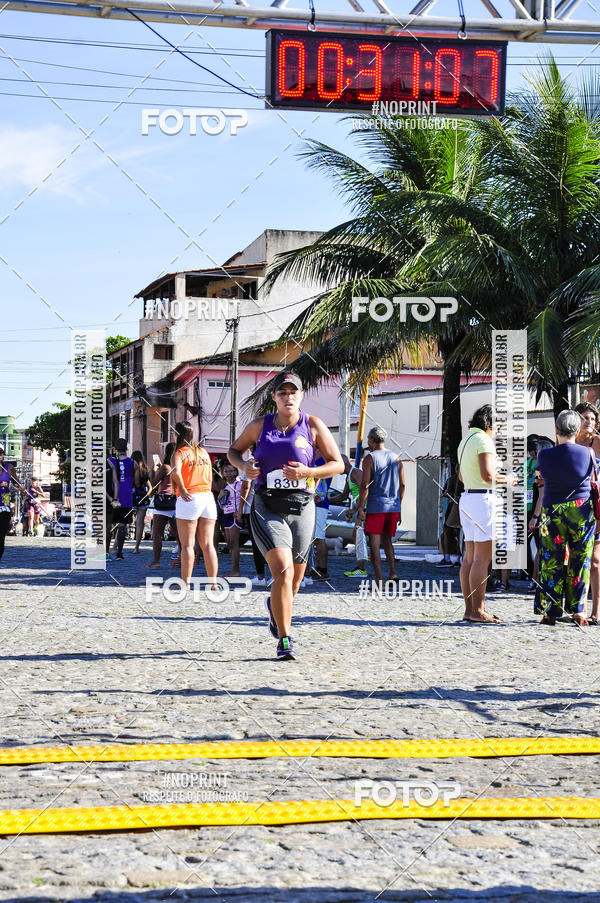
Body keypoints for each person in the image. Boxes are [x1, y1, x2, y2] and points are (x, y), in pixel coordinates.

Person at [228, 371, 343, 661]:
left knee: (294, 583)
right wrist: (245, 467)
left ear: (301, 396)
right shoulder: (259, 426)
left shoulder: (313, 426)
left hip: (303, 506)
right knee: (282, 570)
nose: (288, 397)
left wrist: (309, 472)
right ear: (274, 397)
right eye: (282, 392)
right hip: (268, 505)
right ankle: (285, 639)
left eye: (293, 392)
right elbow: (233, 451)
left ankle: (275, 609)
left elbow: (338, 464)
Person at [535, 409, 596, 626]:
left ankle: (550, 611)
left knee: (551, 559)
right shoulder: (588, 453)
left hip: (552, 509)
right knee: (581, 559)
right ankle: (578, 611)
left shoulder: (544, 455)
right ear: (577, 430)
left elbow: (540, 478)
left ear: (556, 430)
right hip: (581, 510)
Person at [457, 404, 516, 624]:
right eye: (498, 425)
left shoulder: (466, 440)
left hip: (468, 498)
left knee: (469, 558)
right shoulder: (484, 440)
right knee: (482, 559)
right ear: (489, 423)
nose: (499, 430)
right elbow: (488, 474)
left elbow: (462, 477)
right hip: (484, 500)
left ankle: (469, 609)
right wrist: (507, 479)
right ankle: (478, 610)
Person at [170, 421, 218, 589]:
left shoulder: (180, 452)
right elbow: (210, 476)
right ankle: (213, 583)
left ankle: (185, 582)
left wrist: (182, 489)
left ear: (178, 435)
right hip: (207, 496)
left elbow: (175, 472)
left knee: (187, 545)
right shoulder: (203, 452)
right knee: (208, 544)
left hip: (190, 497)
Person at [356, 427, 405, 586]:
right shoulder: (396, 458)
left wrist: (361, 508)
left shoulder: (370, 458)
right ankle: (393, 573)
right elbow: (402, 485)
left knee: (375, 544)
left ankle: (379, 579)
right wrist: (399, 506)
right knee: (388, 541)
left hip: (377, 506)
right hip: (393, 506)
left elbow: (364, 486)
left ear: (371, 440)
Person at [575, 402, 600, 624]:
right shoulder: (568, 443)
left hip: (596, 507)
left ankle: (596, 612)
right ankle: (576, 609)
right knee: (573, 560)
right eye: (584, 418)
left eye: (592, 419)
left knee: (595, 560)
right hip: (573, 509)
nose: (589, 422)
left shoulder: (598, 444)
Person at [330, 454, 367, 578]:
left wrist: (356, 509)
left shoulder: (355, 472)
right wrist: (326, 499)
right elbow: (343, 496)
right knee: (358, 536)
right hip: (362, 509)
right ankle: (361, 567)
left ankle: (361, 569)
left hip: (366, 509)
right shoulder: (349, 476)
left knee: (359, 536)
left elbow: (365, 490)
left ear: (343, 464)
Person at [146, 443, 178, 569]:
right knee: (179, 534)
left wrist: (154, 470)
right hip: (176, 501)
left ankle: (156, 561)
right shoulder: (177, 466)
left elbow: (153, 482)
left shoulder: (165, 467)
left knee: (157, 534)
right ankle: (181, 559)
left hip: (163, 501)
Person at [240, 451, 268, 587]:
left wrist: (239, 509)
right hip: (272, 506)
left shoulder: (251, 462)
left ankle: (261, 576)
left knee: (257, 544)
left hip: (253, 507)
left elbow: (246, 486)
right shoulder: (274, 457)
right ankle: (277, 574)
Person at [108, 438, 138, 560]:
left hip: (112, 497)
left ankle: (106, 552)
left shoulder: (110, 461)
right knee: (122, 525)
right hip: (126, 498)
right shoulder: (133, 463)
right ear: (126, 448)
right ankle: (119, 553)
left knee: (108, 525)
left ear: (115, 449)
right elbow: (135, 482)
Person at [0, 445, 26, 560]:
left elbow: (16, 482)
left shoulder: (8, 468)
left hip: (4, 506)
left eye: (0, 452)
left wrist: (20, 486)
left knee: (1, 536)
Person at [218, 462, 243, 577]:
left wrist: (239, 512)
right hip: (226, 514)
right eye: (226, 471)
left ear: (236, 472)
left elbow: (242, 499)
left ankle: (236, 570)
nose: (228, 474)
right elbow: (222, 505)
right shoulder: (226, 487)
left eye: (231, 471)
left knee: (234, 543)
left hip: (234, 515)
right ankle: (234, 569)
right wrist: (219, 497)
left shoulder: (239, 485)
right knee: (229, 544)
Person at [311, 456, 333, 580]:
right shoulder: (327, 460)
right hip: (319, 503)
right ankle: (319, 569)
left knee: (319, 538)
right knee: (317, 538)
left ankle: (322, 570)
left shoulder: (320, 461)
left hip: (318, 503)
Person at [438, 467, 462, 568]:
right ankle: (458, 558)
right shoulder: (470, 479)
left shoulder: (452, 479)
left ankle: (448, 558)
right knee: (460, 533)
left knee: (447, 531)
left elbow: (445, 493)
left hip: (454, 507)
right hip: (467, 507)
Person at [132, 450, 152, 554]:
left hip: (131, 496)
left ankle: (116, 546)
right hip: (142, 498)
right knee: (140, 523)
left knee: (123, 522)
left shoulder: (131, 469)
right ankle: (136, 547)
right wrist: (146, 495)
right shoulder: (144, 470)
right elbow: (150, 487)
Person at [105, 454, 119, 560]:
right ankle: (106, 554)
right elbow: (116, 482)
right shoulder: (110, 464)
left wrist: (110, 499)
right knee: (108, 527)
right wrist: (114, 498)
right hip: (110, 496)